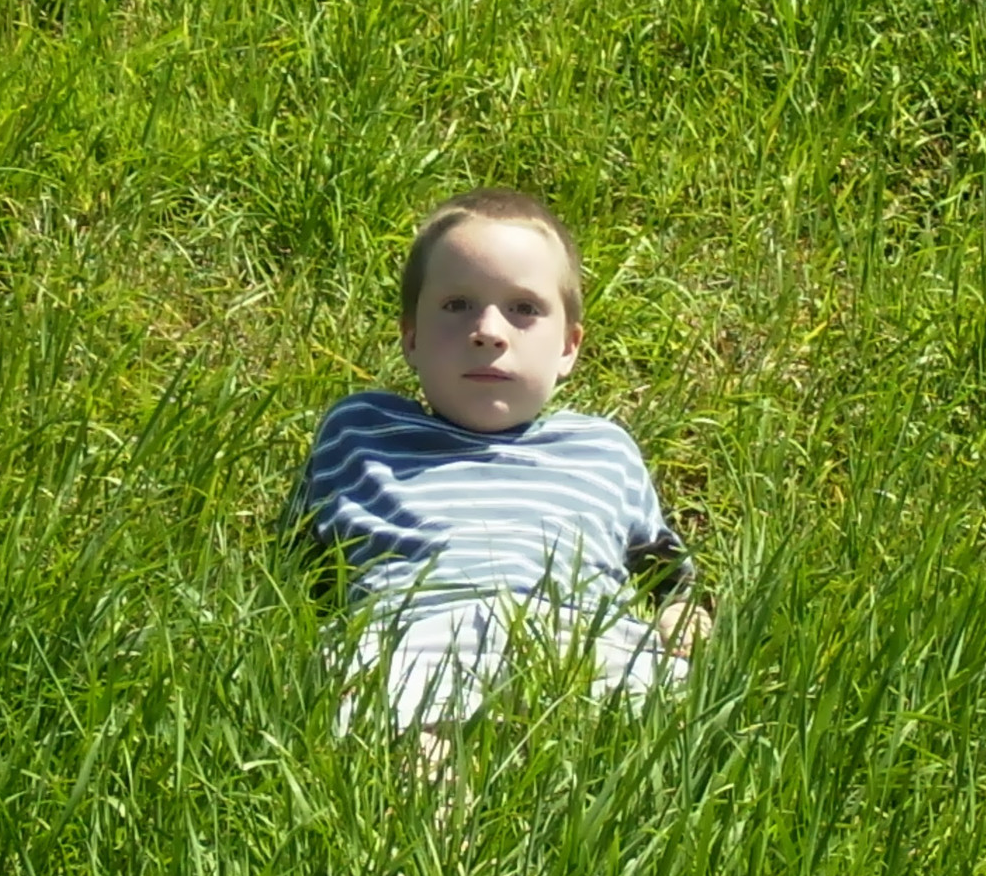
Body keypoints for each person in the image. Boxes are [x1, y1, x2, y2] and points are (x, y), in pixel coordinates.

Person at [287, 188, 708, 745]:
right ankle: (437, 824)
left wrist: (683, 610)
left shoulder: (601, 448)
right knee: (406, 728)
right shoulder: (364, 430)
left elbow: (662, 565)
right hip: (418, 631)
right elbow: (298, 554)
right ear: (410, 337)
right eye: (457, 306)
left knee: (659, 722)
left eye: (524, 309)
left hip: (582, 634)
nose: (488, 330)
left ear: (568, 349)